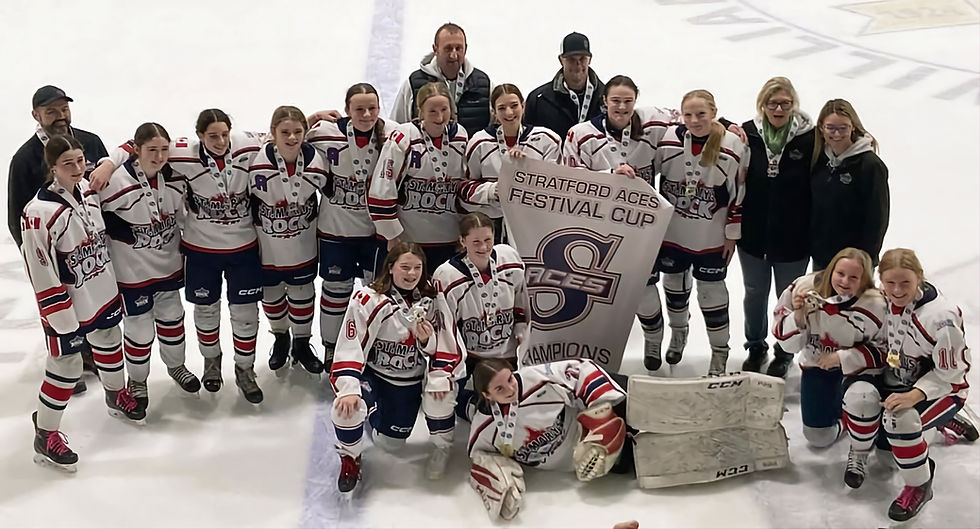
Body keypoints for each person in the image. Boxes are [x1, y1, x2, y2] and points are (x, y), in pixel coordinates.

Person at [99, 109, 265, 400]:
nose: (221, 140)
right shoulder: (181, 152)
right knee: (198, 312)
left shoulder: (244, 144)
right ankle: (208, 363)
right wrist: (108, 163)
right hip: (198, 253)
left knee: (241, 314)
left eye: (224, 134)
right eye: (212, 135)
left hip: (237, 250)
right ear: (199, 135)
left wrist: (313, 119)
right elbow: (133, 144)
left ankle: (244, 369)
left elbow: (281, 134)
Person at [23, 136, 145, 471]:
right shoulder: (39, 213)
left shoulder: (90, 192)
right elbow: (40, 268)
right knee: (67, 367)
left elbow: (130, 145)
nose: (78, 168)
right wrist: (58, 314)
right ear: (52, 168)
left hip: (100, 290)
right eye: (68, 164)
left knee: (108, 341)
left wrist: (105, 162)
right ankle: (45, 432)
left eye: (80, 160)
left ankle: (115, 393)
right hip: (67, 306)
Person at [839, 248, 975, 521]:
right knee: (860, 398)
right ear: (880, 280)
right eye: (890, 283)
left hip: (942, 389)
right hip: (895, 379)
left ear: (920, 279)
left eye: (905, 283)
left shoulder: (941, 317)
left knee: (899, 421)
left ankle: (919, 485)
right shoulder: (877, 301)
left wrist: (915, 395)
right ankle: (860, 451)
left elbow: (951, 374)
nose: (897, 290)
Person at [562, 76, 676, 375]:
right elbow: (571, 181)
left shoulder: (653, 125)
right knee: (600, 298)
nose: (622, 107)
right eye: (615, 101)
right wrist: (611, 174)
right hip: (597, 234)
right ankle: (599, 356)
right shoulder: (580, 134)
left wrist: (727, 124)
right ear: (604, 101)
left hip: (640, 232)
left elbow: (692, 113)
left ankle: (653, 340)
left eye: (628, 101)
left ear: (636, 101)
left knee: (645, 293)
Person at [329, 242, 463, 493]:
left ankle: (440, 448)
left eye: (417, 268)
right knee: (346, 408)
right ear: (390, 268)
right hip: (374, 376)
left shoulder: (432, 299)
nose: (411, 274)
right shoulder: (368, 298)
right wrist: (348, 387)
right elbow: (351, 343)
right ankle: (350, 458)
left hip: (408, 381)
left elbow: (447, 343)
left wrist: (427, 341)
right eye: (405, 267)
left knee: (391, 444)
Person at [9, 85, 114, 393]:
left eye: (63, 109)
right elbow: (17, 213)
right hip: (54, 252)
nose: (60, 116)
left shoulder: (90, 142)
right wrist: (34, 259)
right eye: (51, 111)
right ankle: (69, 361)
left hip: (91, 246)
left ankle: (92, 354)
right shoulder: (25, 158)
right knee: (61, 306)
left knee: (93, 299)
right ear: (36, 115)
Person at [649, 89, 747, 376]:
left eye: (701, 114)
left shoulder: (732, 145)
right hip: (674, 234)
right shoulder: (667, 140)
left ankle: (720, 352)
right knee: (675, 289)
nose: (694, 120)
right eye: (688, 114)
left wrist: (732, 233)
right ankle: (678, 335)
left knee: (711, 294)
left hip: (711, 236)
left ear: (714, 113)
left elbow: (739, 194)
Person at [467, 358, 629, 521]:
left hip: (592, 433)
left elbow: (581, 369)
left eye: (510, 379)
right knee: (631, 460)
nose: (510, 389)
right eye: (499, 388)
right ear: (487, 395)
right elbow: (478, 457)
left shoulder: (538, 378)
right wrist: (495, 475)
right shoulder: (483, 430)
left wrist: (599, 404)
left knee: (634, 400)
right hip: (582, 465)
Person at [307, 83, 397, 371]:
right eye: (359, 109)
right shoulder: (324, 134)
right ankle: (332, 349)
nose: (367, 114)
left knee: (375, 295)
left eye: (373, 108)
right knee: (335, 292)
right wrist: (309, 120)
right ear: (346, 110)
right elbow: (282, 140)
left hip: (375, 235)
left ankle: (370, 347)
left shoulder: (394, 134)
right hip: (337, 233)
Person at [98, 123, 187, 412]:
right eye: (152, 150)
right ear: (136, 150)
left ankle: (177, 367)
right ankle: (138, 381)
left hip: (168, 267)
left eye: (164, 150)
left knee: (173, 319)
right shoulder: (114, 182)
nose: (160, 157)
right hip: (132, 275)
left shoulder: (176, 178)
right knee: (138, 330)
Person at [771, 247, 886, 450]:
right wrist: (798, 316)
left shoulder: (876, 304)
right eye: (840, 274)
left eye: (853, 277)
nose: (844, 282)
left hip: (859, 372)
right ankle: (848, 419)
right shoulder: (802, 288)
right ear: (831, 270)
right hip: (818, 368)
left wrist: (843, 357)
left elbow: (886, 351)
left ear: (864, 280)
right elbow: (787, 345)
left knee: (877, 421)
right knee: (818, 436)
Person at [738, 77, 814, 377]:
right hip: (754, 235)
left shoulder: (809, 138)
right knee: (754, 293)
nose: (779, 109)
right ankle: (755, 346)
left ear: (793, 105)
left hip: (793, 239)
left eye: (785, 103)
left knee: (789, 297)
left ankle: (784, 352)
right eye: (773, 103)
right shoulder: (748, 133)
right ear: (762, 105)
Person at [249, 106, 330, 387]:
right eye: (285, 132)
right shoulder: (254, 160)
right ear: (272, 133)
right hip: (266, 247)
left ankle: (302, 343)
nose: (292, 137)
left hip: (302, 245)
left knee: (302, 293)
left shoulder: (317, 162)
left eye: (298, 132)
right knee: (271, 295)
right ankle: (281, 338)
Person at [432, 212, 530, 419]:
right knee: (449, 404)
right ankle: (468, 401)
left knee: (514, 407)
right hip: (471, 357)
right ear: (462, 240)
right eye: (476, 241)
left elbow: (522, 295)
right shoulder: (447, 275)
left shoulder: (509, 257)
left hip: (507, 353)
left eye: (488, 240)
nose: (484, 247)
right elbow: (446, 327)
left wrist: (521, 324)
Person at [369, 82, 469, 273]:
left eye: (444, 109)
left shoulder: (461, 136)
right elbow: (382, 188)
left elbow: (464, 187)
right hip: (407, 243)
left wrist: (464, 233)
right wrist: (391, 236)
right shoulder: (403, 138)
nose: (440, 117)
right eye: (432, 111)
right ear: (420, 110)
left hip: (448, 242)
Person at [458, 83, 561, 242]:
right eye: (501, 108)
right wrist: (492, 190)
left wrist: (530, 169)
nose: (509, 112)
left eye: (514, 106)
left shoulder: (547, 140)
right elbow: (464, 189)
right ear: (493, 111)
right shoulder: (480, 142)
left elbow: (558, 187)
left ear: (523, 106)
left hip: (535, 224)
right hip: (493, 226)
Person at [810, 99, 889, 270]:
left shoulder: (870, 165)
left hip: (855, 262)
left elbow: (877, 218)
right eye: (831, 128)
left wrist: (866, 258)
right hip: (822, 256)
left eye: (843, 128)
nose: (836, 134)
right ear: (821, 128)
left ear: (853, 127)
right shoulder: (819, 158)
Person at [390, 22, 491, 136]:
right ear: (435, 49)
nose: (454, 55)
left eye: (458, 48)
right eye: (448, 49)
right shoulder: (413, 83)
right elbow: (396, 129)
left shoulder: (484, 83)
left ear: (465, 49)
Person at [524, 32, 605, 138]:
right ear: (561, 60)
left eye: (582, 58)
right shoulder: (538, 99)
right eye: (572, 59)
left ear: (590, 59)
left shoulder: (607, 97)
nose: (578, 64)